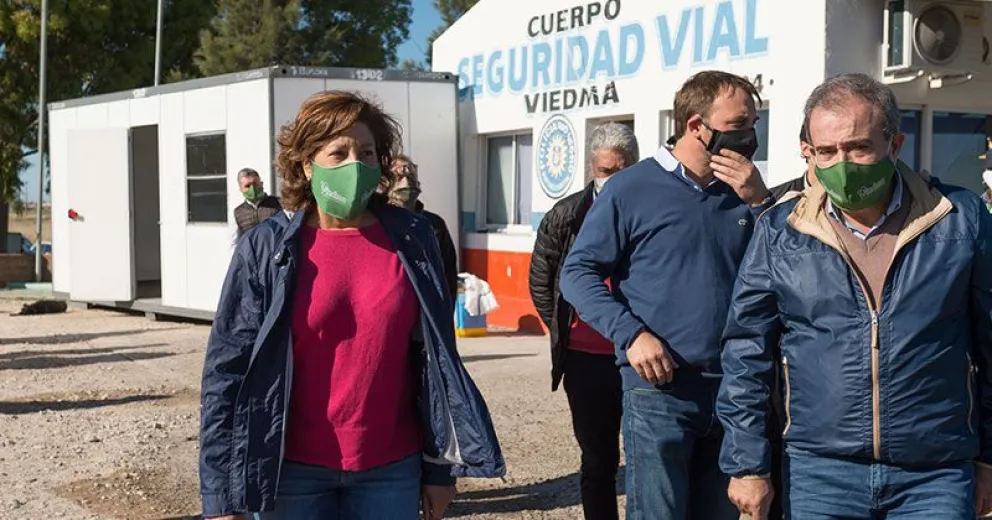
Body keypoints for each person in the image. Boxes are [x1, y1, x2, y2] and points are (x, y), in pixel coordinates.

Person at [198, 90, 505, 520]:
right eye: (338, 153)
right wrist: (220, 493)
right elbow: (227, 369)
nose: (355, 165)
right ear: (307, 165)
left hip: (391, 469)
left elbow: (437, 361)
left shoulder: (415, 239)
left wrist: (440, 469)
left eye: (366, 152)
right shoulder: (265, 250)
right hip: (290, 471)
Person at [717, 73, 992, 519]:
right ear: (808, 151)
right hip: (820, 471)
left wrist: (988, 459)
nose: (842, 165)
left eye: (858, 147)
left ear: (895, 144)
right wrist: (747, 464)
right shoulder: (781, 231)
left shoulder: (960, 221)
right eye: (826, 152)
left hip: (935, 473)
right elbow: (747, 350)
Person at [559, 71, 773, 520]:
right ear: (696, 125)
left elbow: (780, 272)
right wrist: (632, 335)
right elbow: (576, 274)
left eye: (754, 123)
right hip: (660, 393)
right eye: (738, 125)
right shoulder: (630, 188)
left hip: (736, 392)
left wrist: (761, 205)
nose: (750, 136)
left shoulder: (746, 194)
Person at [528, 122, 639, 520]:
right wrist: (564, 331)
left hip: (642, 355)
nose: (613, 180)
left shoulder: (652, 207)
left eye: (622, 171)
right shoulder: (567, 215)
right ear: (592, 169)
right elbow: (542, 280)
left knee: (647, 457)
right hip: (586, 359)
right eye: (606, 171)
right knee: (598, 458)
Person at [385, 155, 459, 305]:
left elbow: (448, 274)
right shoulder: (379, 223)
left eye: (410, 177)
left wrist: (445, 310)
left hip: (429, 306)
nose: (406, 183)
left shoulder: (434, 224)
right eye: (399, 178)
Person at [769, 124, 817, 200]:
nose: (841, 159)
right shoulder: (775, 200)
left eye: (843, 148)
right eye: (828, 150)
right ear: (806, 149)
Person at [233, 168, 282, 239]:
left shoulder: (279, 203)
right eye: (247, 186)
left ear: (261, 184)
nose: (252, 189)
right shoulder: (238, 212)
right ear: (241, 189)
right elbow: (234, 242)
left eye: (255, 184)